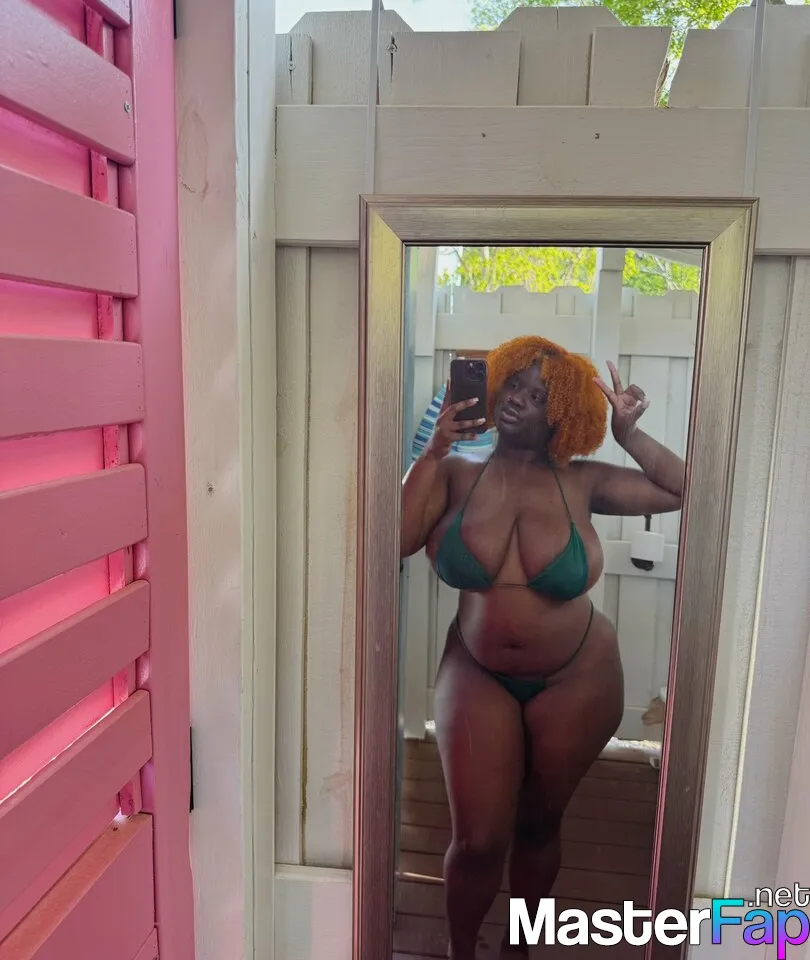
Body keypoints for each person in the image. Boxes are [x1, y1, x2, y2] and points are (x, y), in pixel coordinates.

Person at [400, 336, 685, 959]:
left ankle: (518, 948)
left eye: (539, 396)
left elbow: (684, 488)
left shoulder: (583, 482)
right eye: (514, 385)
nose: (518, 401)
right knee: (477, 840)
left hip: (577, 678)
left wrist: (630, 435)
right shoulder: (454, 473)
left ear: (562, 416)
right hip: (476, 671)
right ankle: (460, 950)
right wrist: (435, 447)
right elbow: (395, 538)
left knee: (537, 824)